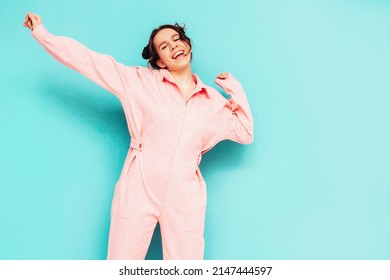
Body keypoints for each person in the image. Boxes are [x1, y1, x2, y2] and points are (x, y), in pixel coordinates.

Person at [23, 12, 254, 260]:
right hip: (139, 185)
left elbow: (244, 131)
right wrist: (42, 33)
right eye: (165, 46)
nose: (174, 46)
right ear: (161, 61)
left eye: (177, 39)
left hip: (185, 194)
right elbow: (88, 61)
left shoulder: (211, 101)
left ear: (187, 45)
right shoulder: (138, 81)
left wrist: (233, 89)